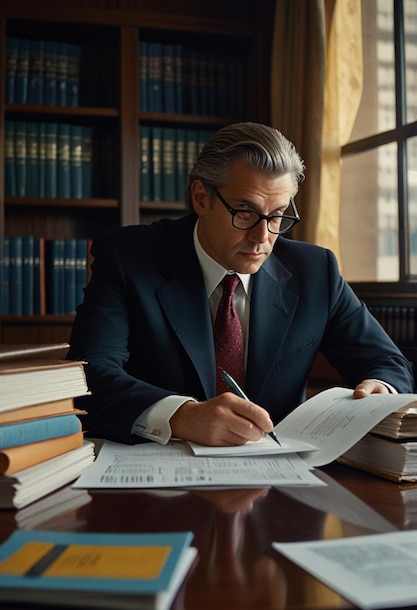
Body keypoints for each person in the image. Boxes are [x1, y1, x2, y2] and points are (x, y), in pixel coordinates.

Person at [67, 122, 414, 446]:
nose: (262, 236)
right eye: (245, 212)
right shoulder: (128, 258)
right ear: (201, 198)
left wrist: (379, 390)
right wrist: (181, 416)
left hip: (281, 477)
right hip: (157, 481)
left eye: (277, 215)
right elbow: (91, 373)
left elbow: (388, 362)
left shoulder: (315, 271)